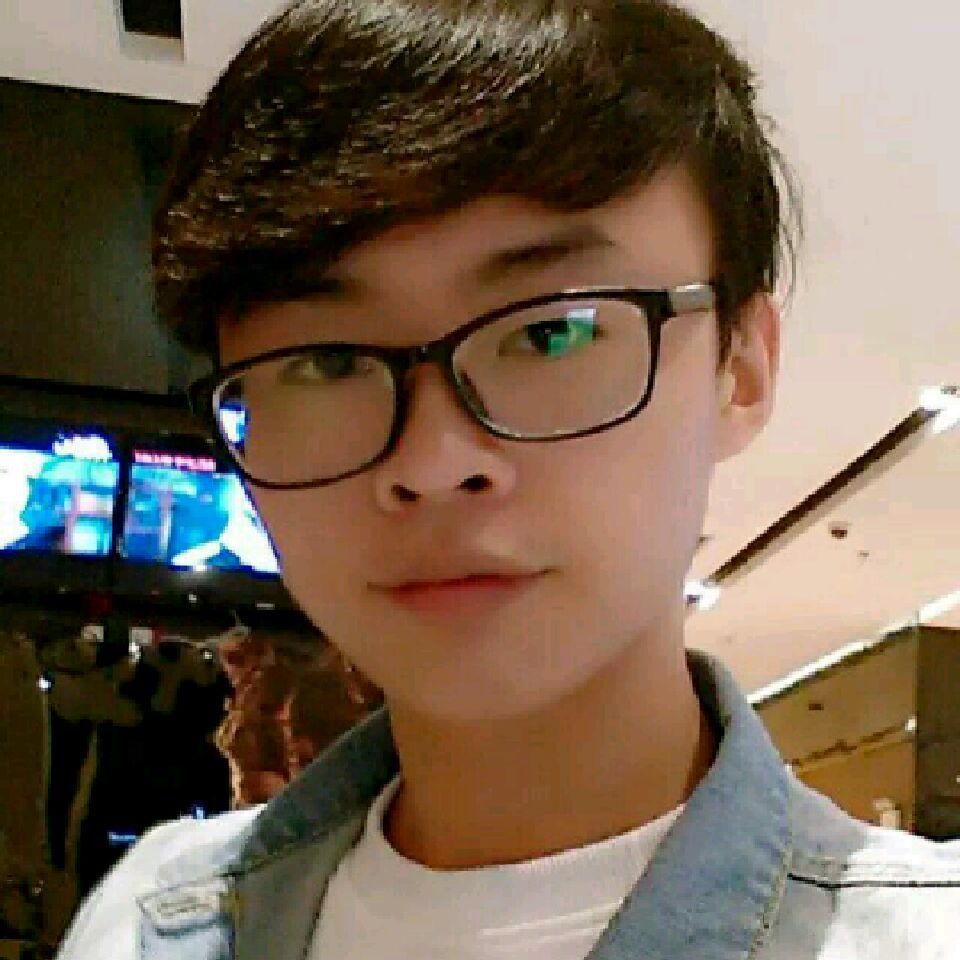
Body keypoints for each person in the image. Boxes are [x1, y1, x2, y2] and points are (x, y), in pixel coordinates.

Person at [55, 1, 960, 958]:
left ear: (741, 366)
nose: (433, 465)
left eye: (551, 332)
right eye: (327, 362)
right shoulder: (146, 923)